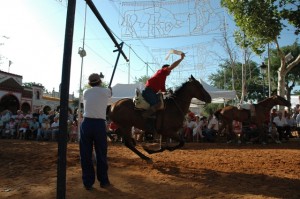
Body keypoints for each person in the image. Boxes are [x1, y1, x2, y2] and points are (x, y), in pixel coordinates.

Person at [80, 73, 112, 190]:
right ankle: (103, 181)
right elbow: (109, 93)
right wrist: (109, 89)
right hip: (99, 124)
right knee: (101, 153)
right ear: (100, 81)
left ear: (89, 83)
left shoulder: (85, 92)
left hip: (87, 123)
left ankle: (88, 182)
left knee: (85, 154)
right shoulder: (106, 91)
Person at [142, 52, 185, 133]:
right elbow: (172, 66)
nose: (170, 72)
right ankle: (145, 116)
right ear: (166, 68)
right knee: (158, 104)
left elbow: (163, 91)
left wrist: (170, 93)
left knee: (162, 104)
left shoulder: (163, 78)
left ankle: (152, 119)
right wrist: (181, 59)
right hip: (149, 91)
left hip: (151, 92)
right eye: (169, 70)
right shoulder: (162, 71)